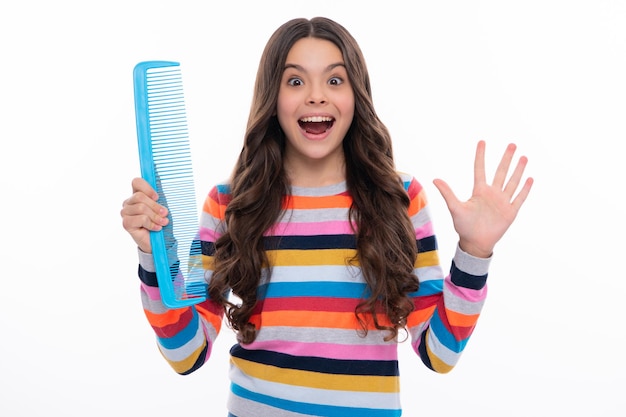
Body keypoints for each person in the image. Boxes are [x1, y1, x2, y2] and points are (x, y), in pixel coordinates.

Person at [120, 16, 533, 417]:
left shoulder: (401, 199)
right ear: (272, 98)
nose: (316, 96)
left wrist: (475, 252)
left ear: (357, 97)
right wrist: (152, 254)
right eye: (295, 81)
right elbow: (186, 354)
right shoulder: (228, 205)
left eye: (335, 80)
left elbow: (439, 354)